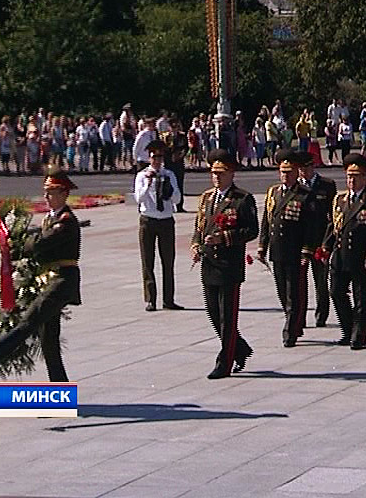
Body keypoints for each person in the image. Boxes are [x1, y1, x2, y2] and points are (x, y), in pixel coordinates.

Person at [0, 165, 81, 381]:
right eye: (46, 191)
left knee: (31, 319)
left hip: (62, 279)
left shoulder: (66, 221)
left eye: (52, 192)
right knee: (49, 340)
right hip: (50, 278)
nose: (47, 196)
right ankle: (60, 390)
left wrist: (19, 245)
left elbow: (41, 243)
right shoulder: (51, 218)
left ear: (64, 194)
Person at [191, 150, 259, 379]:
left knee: (227, 316)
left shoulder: (242, 199)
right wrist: (195, 245)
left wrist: (226, 238)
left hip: (229, 265)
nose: (216, 177)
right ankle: (240, 347)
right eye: (213, 173)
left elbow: (252, 230)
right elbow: (199, 227)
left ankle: (225, 362)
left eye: (221, 173)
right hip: (209, 263)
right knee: (213, 313)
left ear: (231, 173)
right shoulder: (207, 198)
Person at [319, 154, 366, 349]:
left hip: (360, 256)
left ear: (365, 179)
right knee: (336, 292)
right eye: (349, 176)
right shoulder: (340, 200)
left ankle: (359, 334)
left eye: (356, 177)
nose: (351, 180)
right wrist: (326, 246)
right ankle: (348, 328)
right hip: (340, 256)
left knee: (361, 298)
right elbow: (334, 225)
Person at [258, 149, 318, 347]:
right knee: (282, 291)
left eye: (289, 172)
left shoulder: (305, 195)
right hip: (277, 251)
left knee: (294, 293)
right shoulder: (273, 192)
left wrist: (307, 251)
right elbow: (267, 221)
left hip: (295, 251)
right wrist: (262, 246)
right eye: (282, 172)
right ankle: (293, 321)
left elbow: (312, 227)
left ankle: (290, 330)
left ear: (296, 172)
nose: (285, 175)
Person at [134, 140, 183, 311]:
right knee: (148, 261)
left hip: (166, 220)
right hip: (148, 219)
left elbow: (177, 199)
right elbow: (138, 199)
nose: (157, 160)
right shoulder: (141, 176)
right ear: (149, 158)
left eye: (160, 157)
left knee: (168, 260)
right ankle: (150, 299)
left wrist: (170, 191)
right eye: (154, 157)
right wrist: (148, 184)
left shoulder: (169, 174)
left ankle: (168, 299)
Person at [298, 150, 337, 328]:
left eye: (306, 168)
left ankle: (322, 314)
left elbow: (333, 217)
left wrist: (327, 243)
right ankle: (299, 316)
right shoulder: (296, 187)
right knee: (299, 282)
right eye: (300, 169)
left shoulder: (327, 185)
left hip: (321, 240)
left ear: (312, 166)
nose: (303, 172)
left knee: (321, 280)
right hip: (301, 242)